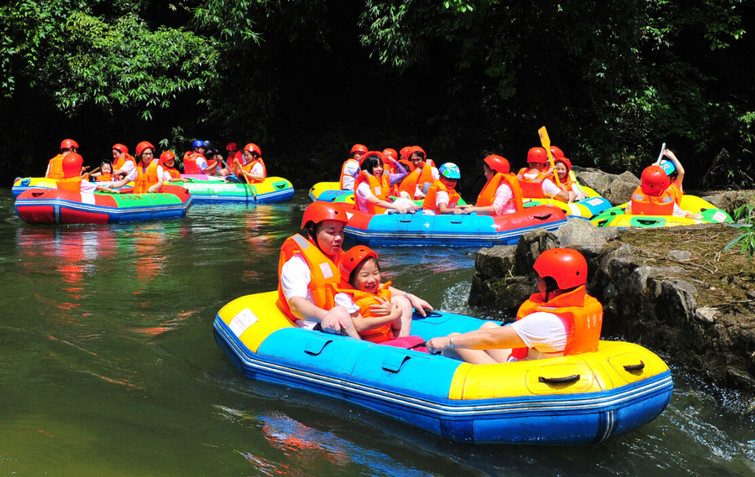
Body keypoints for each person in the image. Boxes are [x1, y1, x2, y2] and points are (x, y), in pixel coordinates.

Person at [426, 248, 603, 363]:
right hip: (547, 362)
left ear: (552, 284)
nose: (537, 282)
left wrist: (445, 341)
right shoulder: (584, 305)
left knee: (454, 341)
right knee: (488, 325)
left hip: (523, 377)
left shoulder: (545, 320)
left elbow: (491, 339)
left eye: (539, 278)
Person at [335, 245, 426, 348]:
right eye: (365, 275)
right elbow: (359, 325)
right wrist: (391, 317)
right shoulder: (346, 298)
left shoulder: (379, 294)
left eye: (375, 273)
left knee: (417, 340)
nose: (372, 279)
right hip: (370, 347)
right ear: (351, 279)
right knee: (407, 344)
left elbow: (397, 327)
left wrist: (392, 313)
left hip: (388, 340)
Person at [625, 165, 701, 218]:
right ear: (664, 182)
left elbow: (627, 211)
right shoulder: (671, 205)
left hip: (639, 218)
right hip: (667, 219)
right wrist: (694, 216)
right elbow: (684, 215)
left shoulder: (634, 200)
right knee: (688, 212)